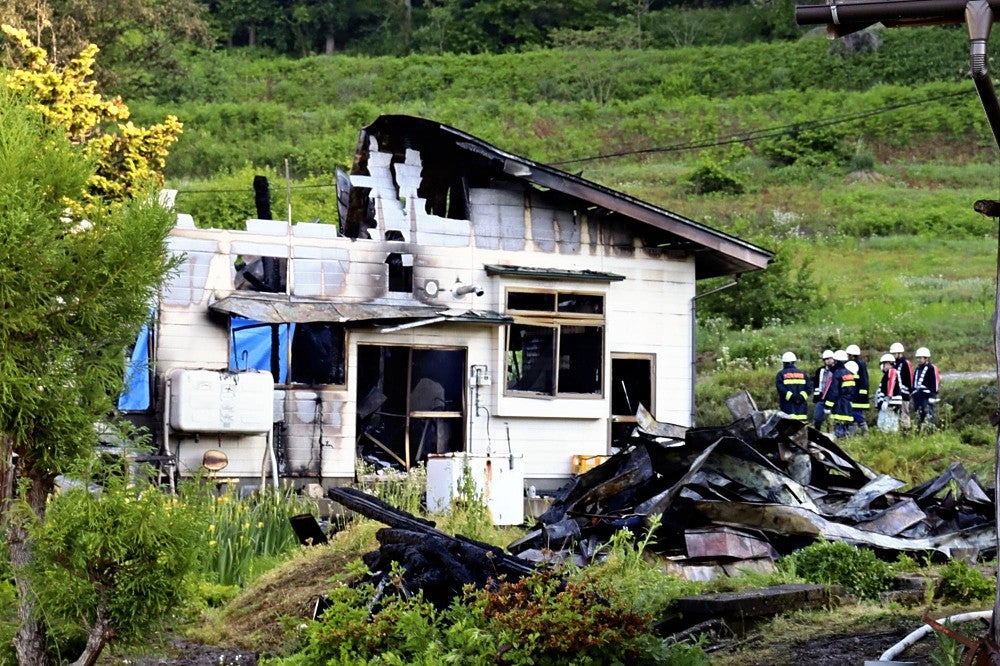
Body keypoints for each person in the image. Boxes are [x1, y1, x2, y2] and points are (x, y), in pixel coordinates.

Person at [824, 350, 856, 438]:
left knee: (839, 425)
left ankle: (840, 442)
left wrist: (828, 406)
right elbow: (852, 390)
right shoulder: (849, 373)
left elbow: (834, 392)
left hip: (840, 404)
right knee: (846, 425)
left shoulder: (837, 373)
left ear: (836, 361)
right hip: (848, 404)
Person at [775, 351, 812, 421]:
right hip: (801, 408)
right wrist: (800, 397)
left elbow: (781, 389)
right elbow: (809, 388)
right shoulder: (802, 374)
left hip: (787, 408)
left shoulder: (781, 374)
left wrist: (792, 397)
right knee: (801, 429)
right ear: (794, 362)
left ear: (784, 363)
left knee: (788, 429)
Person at [911, 347, 940, 432]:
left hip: (927, 397)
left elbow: (935, 382)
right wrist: (913, 393)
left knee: (929, 415)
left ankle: (930, 432)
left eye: (920, 358)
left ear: (926, 358)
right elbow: (915, 382)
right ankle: (920, 432)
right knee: (919, 415)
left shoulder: (931, 368)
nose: (918, 360)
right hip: (918, 397)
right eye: (917, 358)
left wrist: (932, 395)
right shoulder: (917, 369)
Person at [846, 344, 870, 436]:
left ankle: (865, 430)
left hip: (857, 395)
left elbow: (863, 380)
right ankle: (852, 433)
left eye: (848, 355)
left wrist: (861, 394)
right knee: (853, 414)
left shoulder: (857, 364)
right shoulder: (859, 363)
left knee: (855, 412)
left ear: (852, 355)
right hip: (857, 394)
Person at [874, 353, 902, 432]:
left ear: (891, 364)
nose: (884, 366)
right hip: (892, 403)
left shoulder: (892, 371)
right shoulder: (891, 373)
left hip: (890, 403)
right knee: (892, 423)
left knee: (884, 424)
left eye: (885, 364)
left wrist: (887, 399)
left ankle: (887, 439)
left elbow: (891, 384)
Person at [890, 342, 914, 431]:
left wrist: (910, 391)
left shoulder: (905, 363)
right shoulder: (894, 363)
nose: (892, 355)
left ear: (899, 353)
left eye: (894, 353)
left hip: (904, 394)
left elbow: (910, 377)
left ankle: (906, 431)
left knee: (905, 413)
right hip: (896, 393)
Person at [812, 349, 835, 430]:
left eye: (830, 358)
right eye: (826, 359)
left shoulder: (836, 370)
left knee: (831, 420)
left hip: (832, 399)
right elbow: (816, 385)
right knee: (817, 418)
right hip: (820, 398)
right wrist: (816, 398)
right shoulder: (819, 370)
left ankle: (831, 433)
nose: (828, 361)